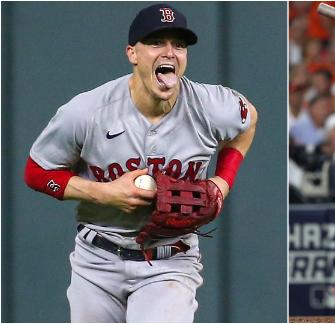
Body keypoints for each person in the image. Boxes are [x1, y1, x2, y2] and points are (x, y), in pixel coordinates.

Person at [23, 4, 257, 322]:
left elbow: (249, 120)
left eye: (179, 45)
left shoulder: (211, 106)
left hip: (170, 260)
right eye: (157, 42)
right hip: (97, 260)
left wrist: (223, 181)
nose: (170, 52)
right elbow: (37, 172)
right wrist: (104, 193)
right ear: (133, 54)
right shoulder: (87, 111)